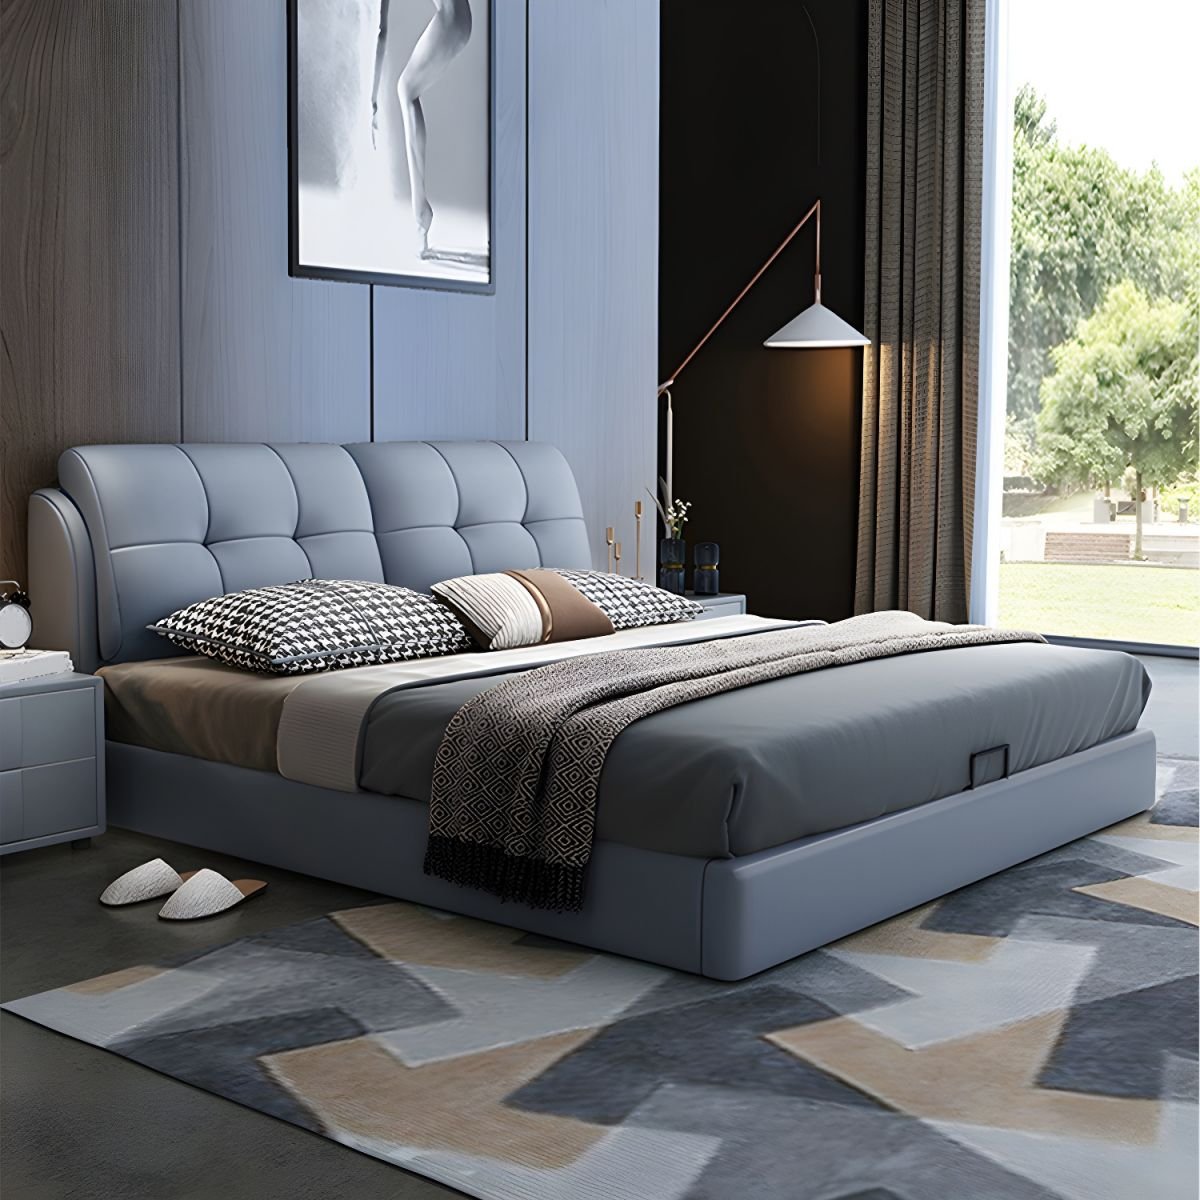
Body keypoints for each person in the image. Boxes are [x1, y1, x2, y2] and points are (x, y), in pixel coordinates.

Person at [371, 0, 473, 258]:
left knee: (405, 90)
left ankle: (420, 212)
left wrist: (372, 99)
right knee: (408, 90)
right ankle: (421, 213)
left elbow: (381, 34)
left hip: (451, 22)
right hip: (463, 20)